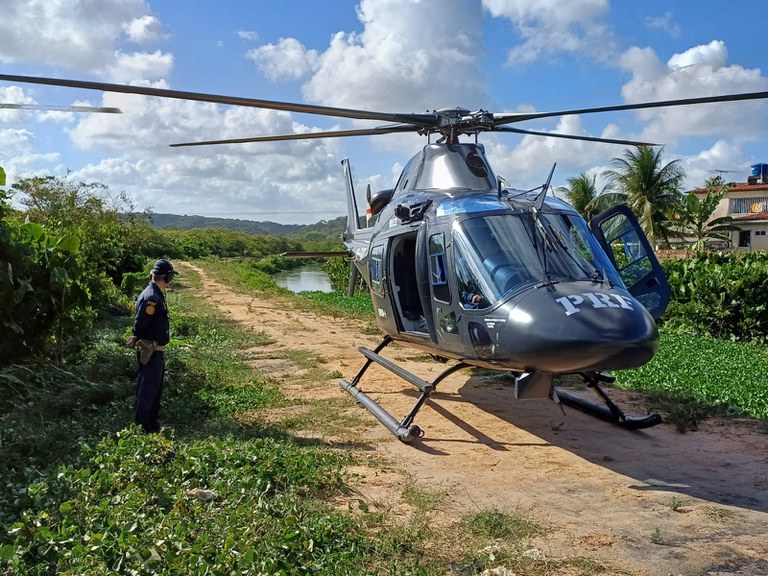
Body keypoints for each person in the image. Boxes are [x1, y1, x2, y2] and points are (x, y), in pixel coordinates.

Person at [126, 259, 176, 433]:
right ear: (167, 277)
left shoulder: (154, 293)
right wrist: (137, 336)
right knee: (147, 391)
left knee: (154, 391)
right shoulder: (152, 298)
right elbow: (141, 323)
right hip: (152, 351)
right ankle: (144, 427)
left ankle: (152, 425)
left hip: (155, 351)